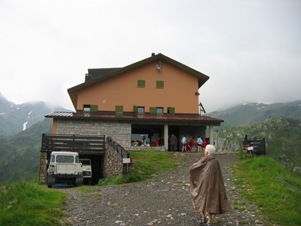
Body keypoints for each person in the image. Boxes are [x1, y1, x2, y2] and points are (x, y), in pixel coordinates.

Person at [189, 145, 231, 225]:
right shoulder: (215, 162)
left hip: (202, 185)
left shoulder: (203, 160)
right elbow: (219, 176)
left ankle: (202, 217)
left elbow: (195, 168)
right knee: (210, 201)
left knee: (201, 198)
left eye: (205, 150)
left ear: (207, 152)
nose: (204, 151)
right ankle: (209, 221)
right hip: (213, 186)